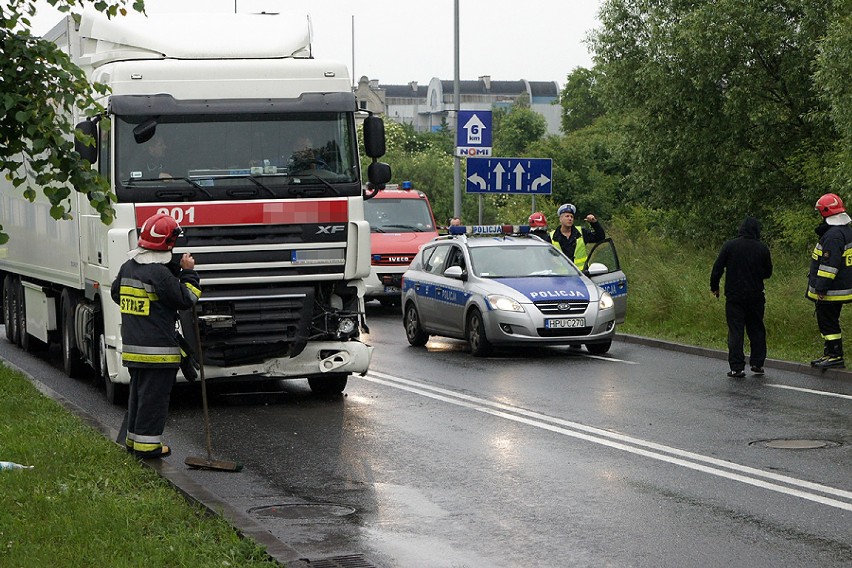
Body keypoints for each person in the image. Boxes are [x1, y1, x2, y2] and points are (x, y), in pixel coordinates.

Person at [110, 213, 201, 459]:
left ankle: (132, 440)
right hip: (158, 352)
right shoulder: (160, 276)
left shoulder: (128, 268)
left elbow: (116, 295)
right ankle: (148, 447)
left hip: (133, 348)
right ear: (168, 244)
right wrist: (188, 273)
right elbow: (186, 298)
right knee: (154, 401)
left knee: (139, 395)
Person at [710, 217, 773, 378]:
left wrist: (714, 287)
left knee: (736, 331)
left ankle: (737, 367)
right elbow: (768, 273)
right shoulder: (762, 248)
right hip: (756, 296)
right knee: (757, 329)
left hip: (734, 296)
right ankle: (757, 363)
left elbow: (717, 268)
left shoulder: (730, 246)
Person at [807, 193, 852, 369]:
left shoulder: (833, 236)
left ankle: (834, 355)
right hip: (842, 286)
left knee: (827, 321)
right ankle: (830, 353)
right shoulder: (846, 231)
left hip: (831, 290)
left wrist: (821, 288)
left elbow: (829, 265)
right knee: (829, 320)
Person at [550, 203, 605, 268]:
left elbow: (600, 237)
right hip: (560, 276)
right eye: (567, 216)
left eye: (572, 217)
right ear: (560, 219)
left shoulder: (581, 233)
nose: (570, 219)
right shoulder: (551, 236)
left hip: (581, 275)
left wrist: (594, 223)